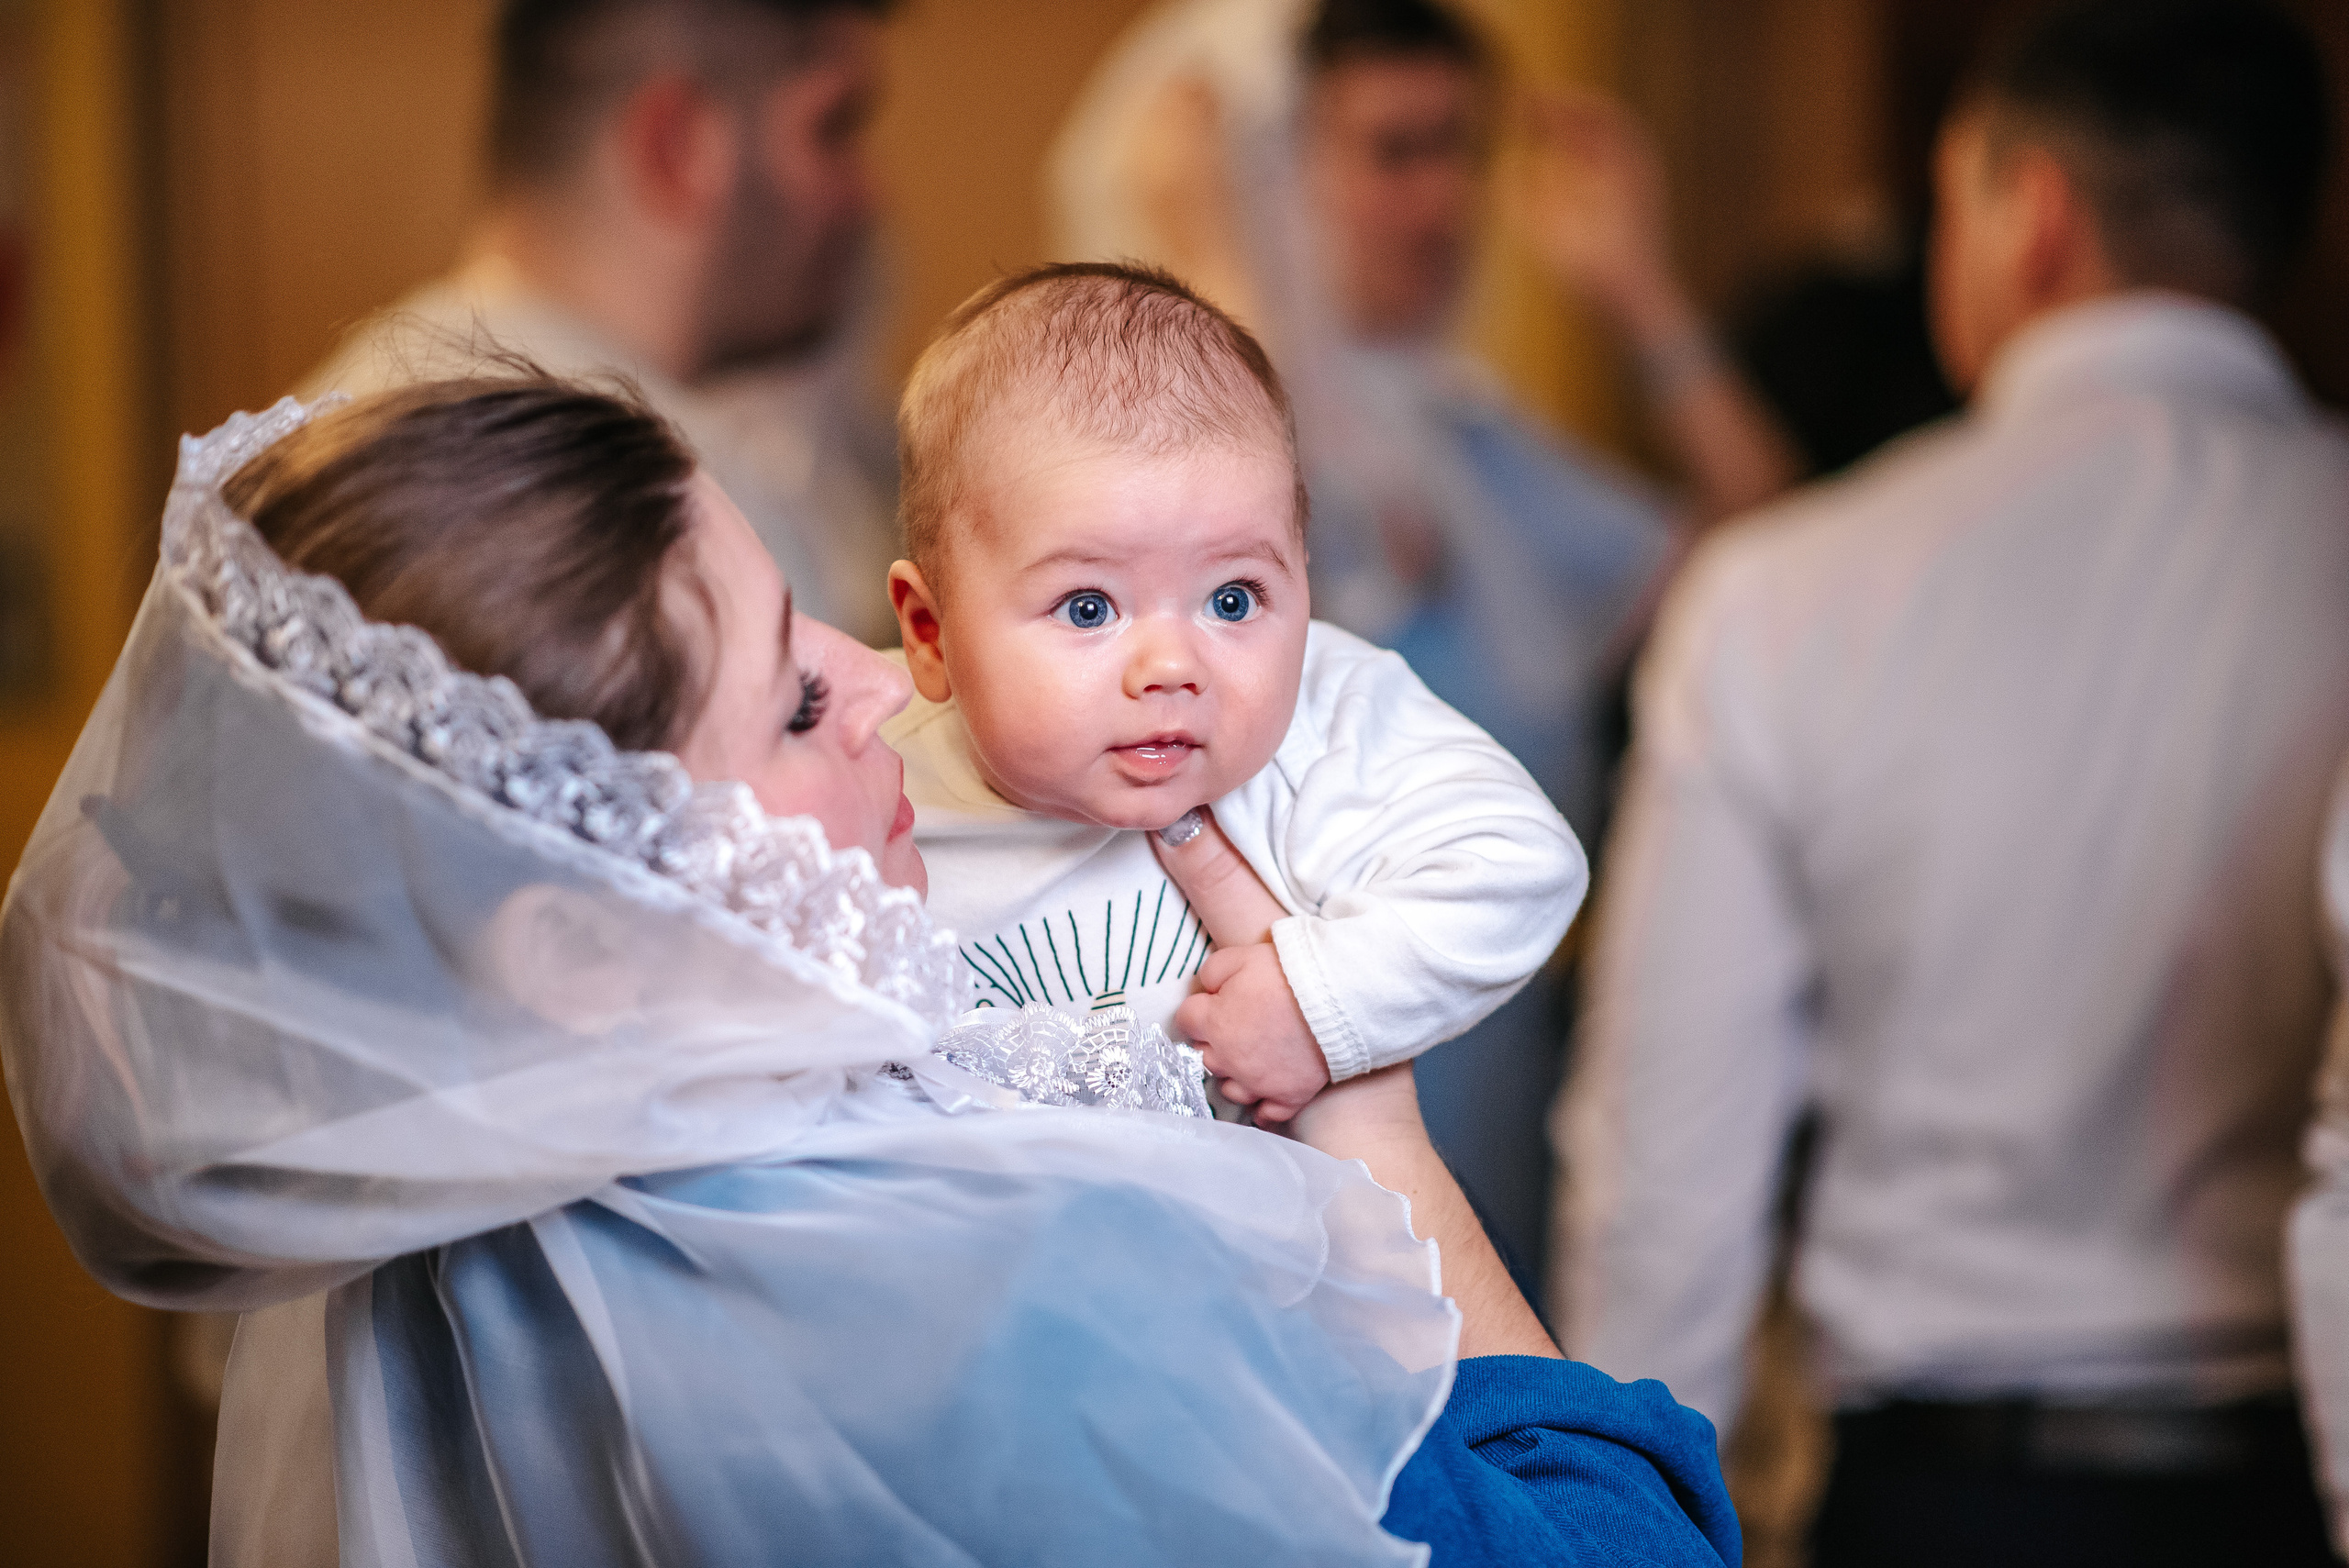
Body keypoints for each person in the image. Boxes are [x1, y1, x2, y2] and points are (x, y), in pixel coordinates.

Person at [0, 376, 1740, 1564]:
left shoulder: (444, 1265)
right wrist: (1376, 1133)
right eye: (790, 696)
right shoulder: (1016, 1289)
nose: (878, 677)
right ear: (579, 945)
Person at [1557, 3, 2346, 1562]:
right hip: (2297, 1484)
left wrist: (1620, 1528)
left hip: (1943, 1494)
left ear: (2030, 211)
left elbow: (1668, 1176)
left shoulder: (1785, 593)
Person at [1050, 0, 1798, 1269]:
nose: (1446, 200)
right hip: (1277, 1162)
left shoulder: (1483, 454)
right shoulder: (1139, 473)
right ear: (1276, 172)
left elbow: (1789, 576)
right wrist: (1223, 266)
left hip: (1497, 1127)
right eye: (1397, 152)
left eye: (1464, 150)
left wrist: (1642, 298)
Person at [886, 262, 1583, 1122]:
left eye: (1231, 600)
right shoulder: (860, 767)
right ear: (931, 634)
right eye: (1089, 606)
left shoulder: (1323, 721)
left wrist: (1318, 1002)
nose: (1171, 666)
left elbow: (1523, 865)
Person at [305, 0, 901, 643]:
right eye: (832, 128)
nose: (866, 194)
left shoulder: (352, 421)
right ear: (676, 148)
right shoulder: (653, 518)